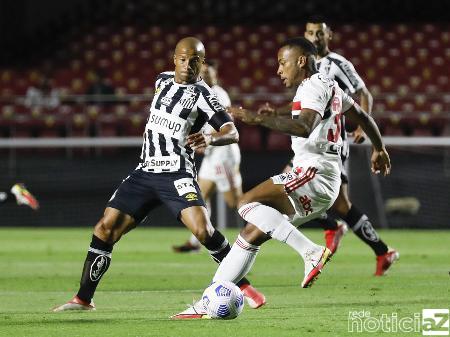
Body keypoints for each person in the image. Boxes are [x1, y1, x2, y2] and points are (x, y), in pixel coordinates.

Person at [172, 37, 391, 318]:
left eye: (282, 62)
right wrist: (379, 148)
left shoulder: (313, 85)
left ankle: (311, 251)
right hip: (322, 175)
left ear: (301, 61)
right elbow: (361, 115)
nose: (278, 70)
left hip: (314, 171)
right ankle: (208, 301)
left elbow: (303, 127)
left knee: (245, 203)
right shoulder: (327, 85)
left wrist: (256, 119)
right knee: (250, 234)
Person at [52, 37, 265, 313]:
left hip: (176, 173)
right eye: (183, 59)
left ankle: (245, 287)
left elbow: (232, 132)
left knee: (203, 230)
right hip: (144, 171)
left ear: (202, 63)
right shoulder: (161, 81)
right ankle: (83, 299)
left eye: (195, 60)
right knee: (105, 228)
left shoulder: (204, 95)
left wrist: (210, 139)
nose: (188, 65)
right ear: (174, 59)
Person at [172, 60, 243, 253]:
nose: (206, 75)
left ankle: (254, 235)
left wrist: (207, 139)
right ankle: (195, 242)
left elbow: (223, 122)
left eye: (208, 72)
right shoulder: (200, 91)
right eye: (203, 72)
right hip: (212, 156)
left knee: (236, 203)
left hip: (223, 155)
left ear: (215, 74)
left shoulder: (218, 94)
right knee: (200, 196)